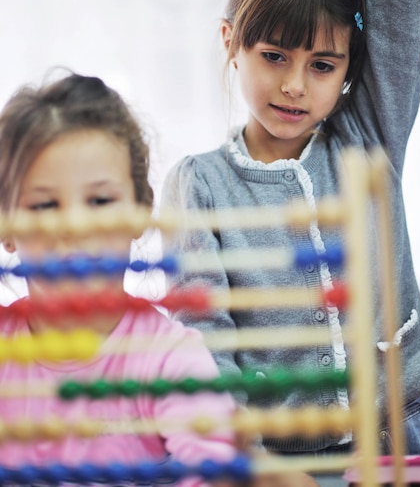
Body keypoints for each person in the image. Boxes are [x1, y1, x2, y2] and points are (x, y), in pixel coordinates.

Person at [161, 0, 420, 458]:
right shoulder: (201, 185)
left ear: (348, 70)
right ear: (230, 42)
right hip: (281, 455)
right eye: (274, 55)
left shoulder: (368, 134)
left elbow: (403, 10)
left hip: (401, 428)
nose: (294, 85)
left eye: (321, 65)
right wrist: (246, 456)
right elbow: (206, 336)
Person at [0, 72, 318, 487]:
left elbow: (210, 466)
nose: (75, 227)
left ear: (141, 209)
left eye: (99, 200)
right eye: (44, 205)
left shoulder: (169, 357)